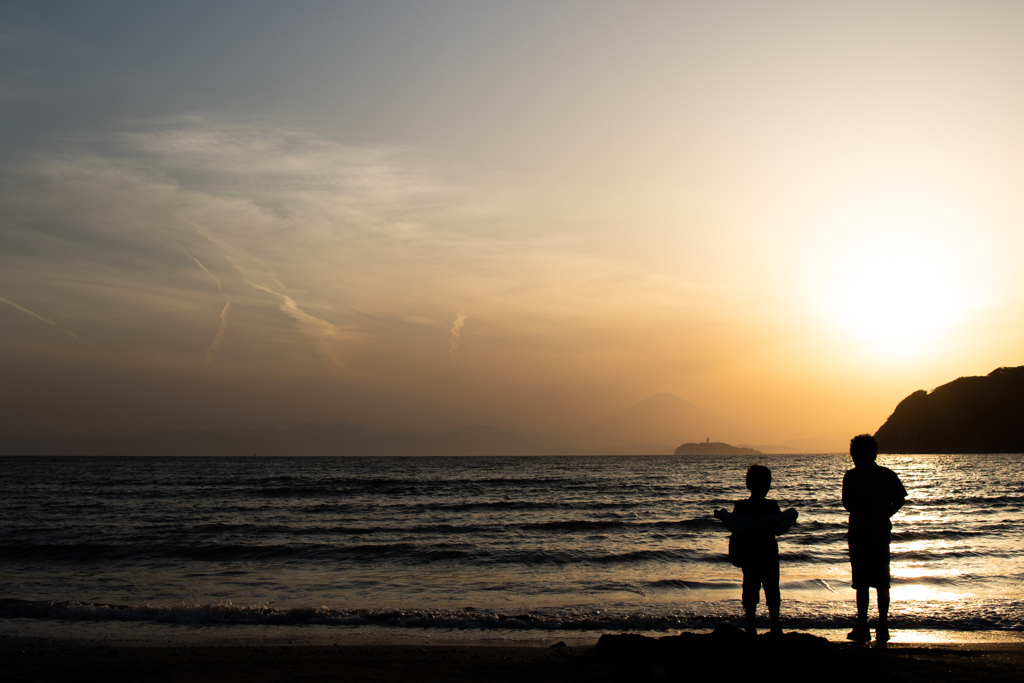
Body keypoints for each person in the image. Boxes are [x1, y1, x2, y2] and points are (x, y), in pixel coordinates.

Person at [714, 464, 798, 636]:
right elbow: (777, 530)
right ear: (768, 485)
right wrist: (788, 524)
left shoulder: (741, 507)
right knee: (772, 590)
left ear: (748, 484)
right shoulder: (772, 507)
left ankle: (751, 626)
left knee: (750, 591)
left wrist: (723, 517)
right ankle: (775, 626)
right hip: (768, 553)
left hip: (749, 554)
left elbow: (735, 527)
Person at [842, 434, 907, 643]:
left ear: (854, 455)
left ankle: (863, 626)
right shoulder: (886, 474)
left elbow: (848, 504)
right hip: (880, 532)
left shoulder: (851, 476)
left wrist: (864, 517)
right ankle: (883, 626)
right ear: (874, 453)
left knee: (861, 582)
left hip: (859, 533)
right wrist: (884, 515)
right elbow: (900, 499)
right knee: (881, 581)